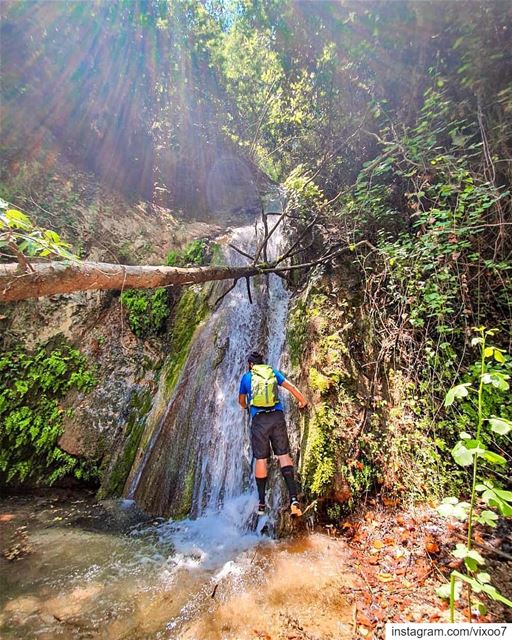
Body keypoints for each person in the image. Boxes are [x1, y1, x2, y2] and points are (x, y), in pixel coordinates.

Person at [238, 350, 308, 517]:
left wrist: (247, 407)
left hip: (259, 420)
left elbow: (241, 401)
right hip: (277, 417)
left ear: (250, 365)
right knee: (283, 455)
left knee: (261, 459)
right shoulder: (272, 372)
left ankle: (261, 503)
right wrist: (302, 400)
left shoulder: (247, 378)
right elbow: (290, 386)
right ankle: (293, 498)